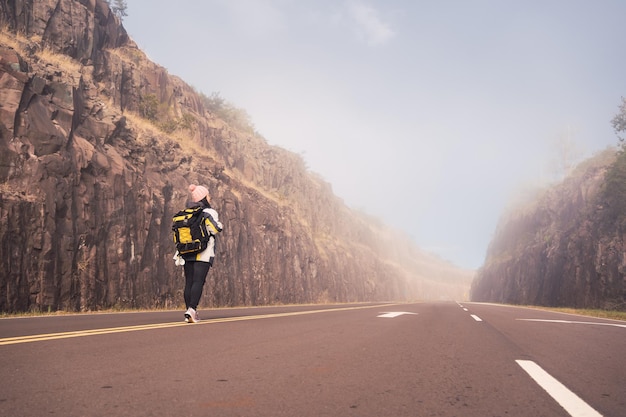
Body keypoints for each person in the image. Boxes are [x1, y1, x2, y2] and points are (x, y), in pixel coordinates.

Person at [179, 184, 223, 323]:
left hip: (186, 251)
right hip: (202, 252)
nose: (210, 197)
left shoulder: (187, 212)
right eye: (208, 195)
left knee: (189, 282)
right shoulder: (209, 212)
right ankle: (192, 310)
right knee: (198, 281)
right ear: (204, 197)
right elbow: (215, 229)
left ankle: (189, 311)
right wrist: (220, 225)